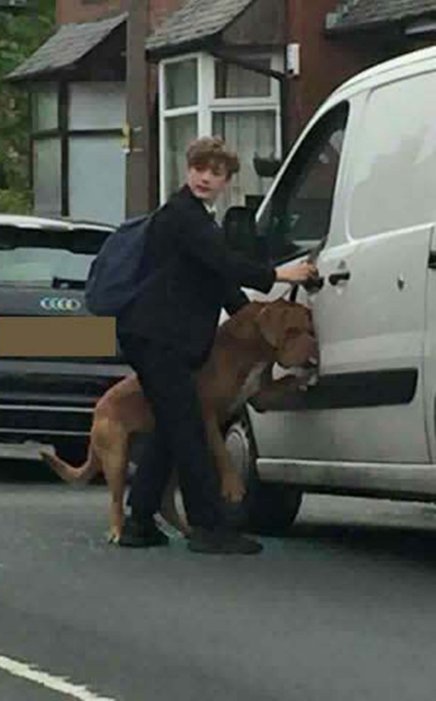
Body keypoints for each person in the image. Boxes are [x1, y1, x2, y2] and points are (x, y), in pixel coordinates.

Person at [116, 136, 317, 554]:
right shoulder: (182, 216)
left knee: (173, 428)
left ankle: (139, 522)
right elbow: (225, 265)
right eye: (199, 169)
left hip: (160, 337)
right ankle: (209, 527)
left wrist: (251, 316)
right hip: (157, 338)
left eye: (216, 172)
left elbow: (218, 280)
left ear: (227, 180)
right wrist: (281, 275)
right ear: (187, 170)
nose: (206, 178)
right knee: (188, 428)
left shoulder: (198, 218)